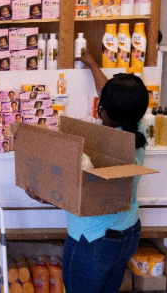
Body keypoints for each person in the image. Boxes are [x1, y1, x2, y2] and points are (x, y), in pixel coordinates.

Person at [24, 50, 149, 293]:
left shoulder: (105, 145)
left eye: (101, 106)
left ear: (108, 110)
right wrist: (91, 62)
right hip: (128, 232)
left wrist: (45, 195)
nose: (98, 109)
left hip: (93, 239)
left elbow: (85, 195)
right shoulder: (136, 127)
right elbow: (108, 93)